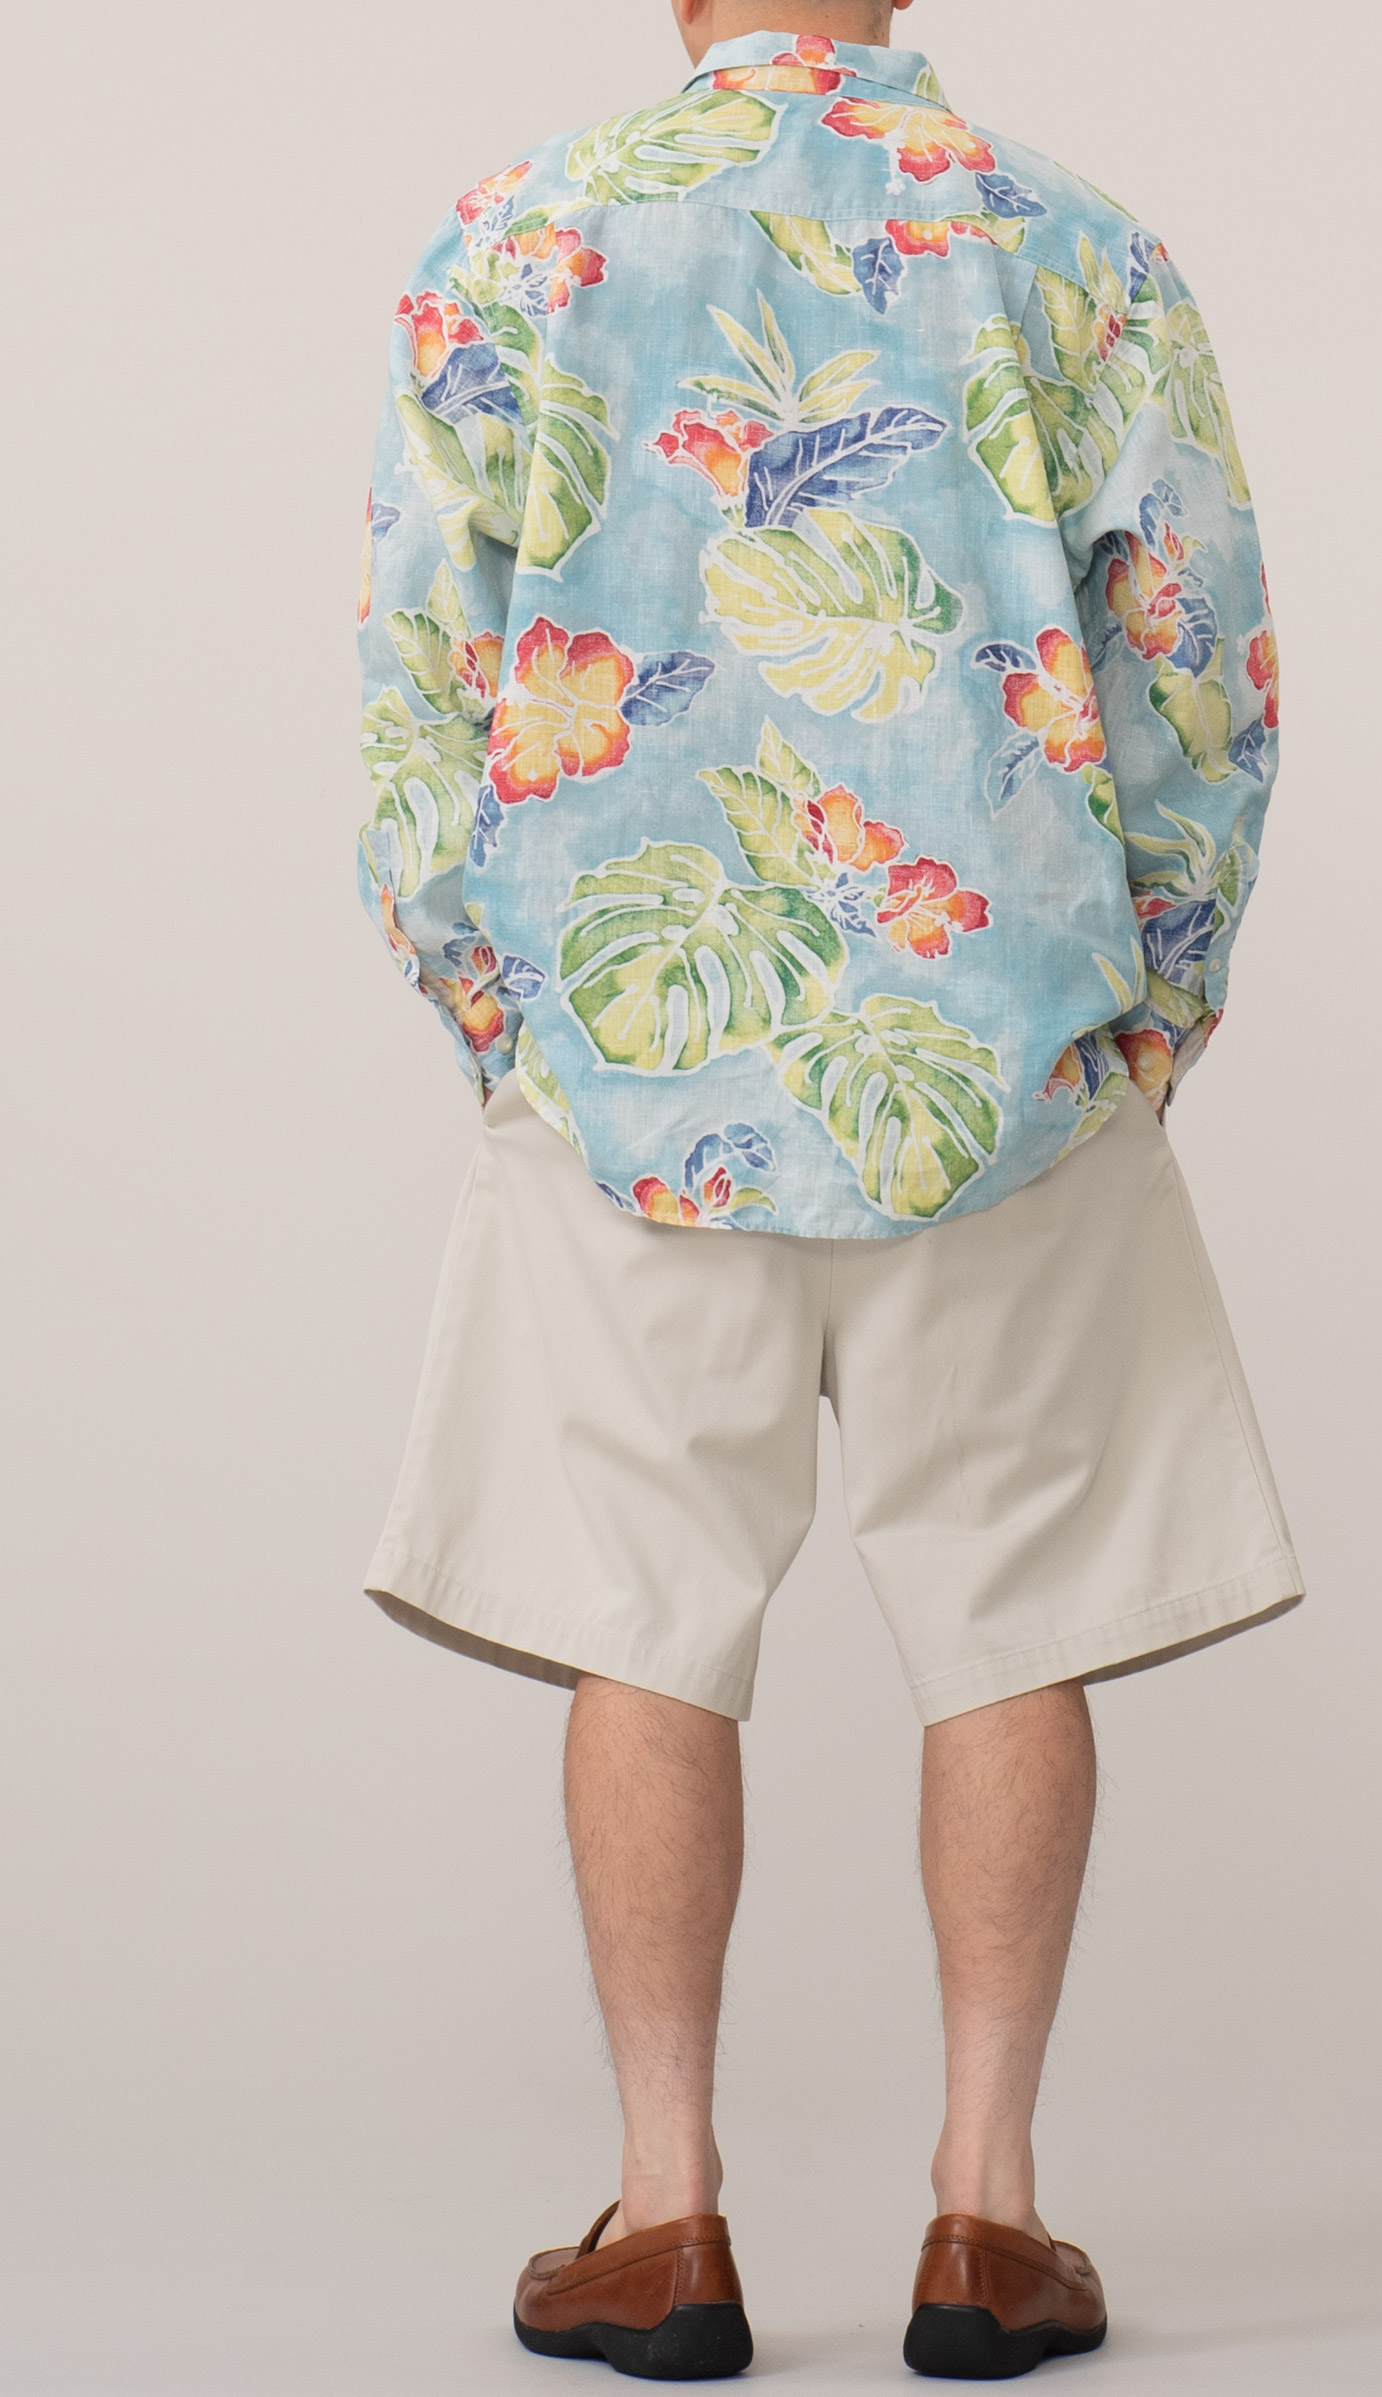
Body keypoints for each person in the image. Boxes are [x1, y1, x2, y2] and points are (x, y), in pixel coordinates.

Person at [355, 0, 1302, 2375]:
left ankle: (662, 2216)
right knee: (1009, 1612)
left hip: (624, 1059)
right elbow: (1194, 673)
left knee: (636, 1611)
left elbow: (420, 689)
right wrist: (1142, 1009)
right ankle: (985, 2215)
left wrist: (509, 1015)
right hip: (1002, 1044)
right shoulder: (1072, 244)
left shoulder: (519, 238)